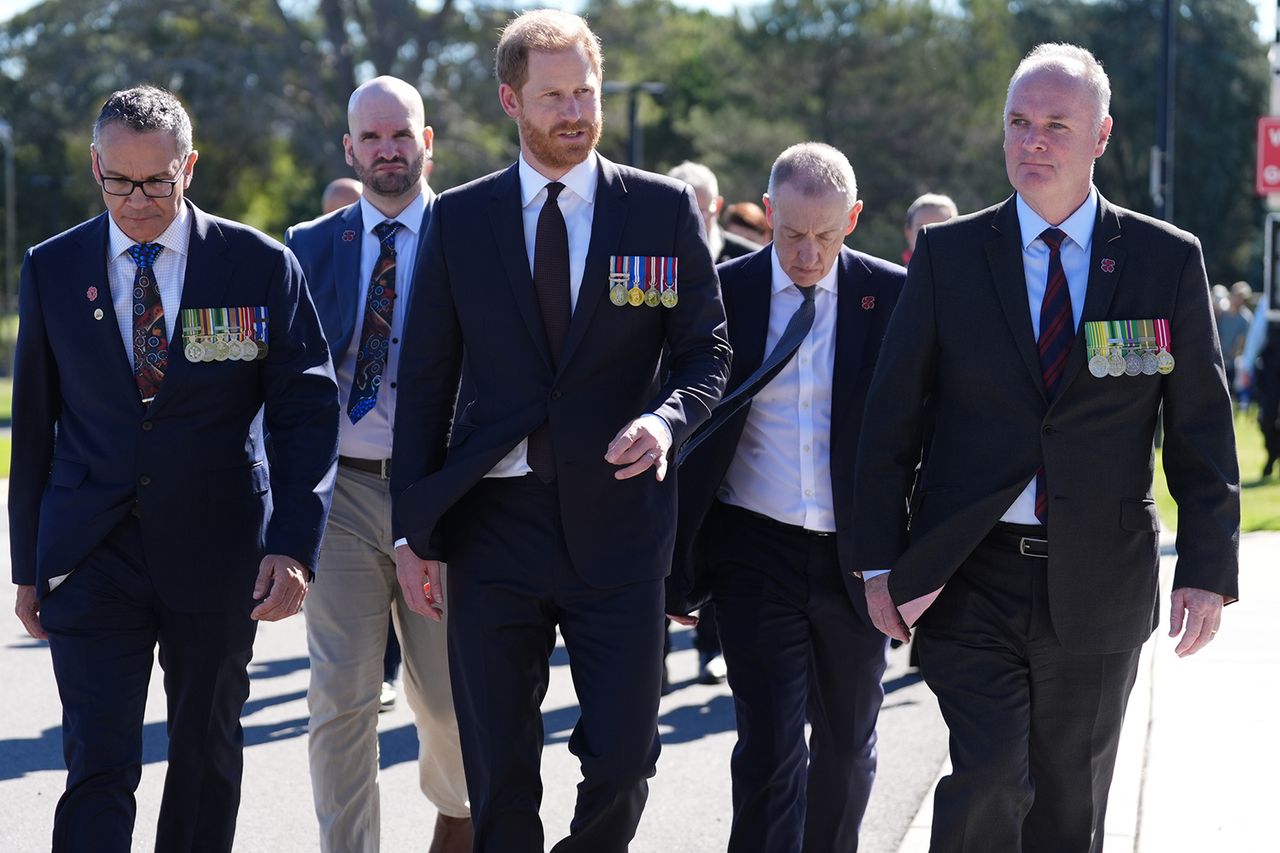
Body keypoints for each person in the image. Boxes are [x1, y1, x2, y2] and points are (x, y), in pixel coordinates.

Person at [853, 44, 1239, 853]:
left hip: (1101, 576)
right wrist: (878, 560)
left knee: (1069, 807)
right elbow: (891, 420)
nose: (1033, 141)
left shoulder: (1165, 260)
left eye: (1055, 125)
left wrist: (1206, 568)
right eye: (1019, 123)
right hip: (971, 571)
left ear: (1100, 136)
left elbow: (1200, 426)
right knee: (989, 774)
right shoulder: (951, 257)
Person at [390, 10, 730, 851]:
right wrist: (413, 527)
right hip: (490, 526)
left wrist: (664, 418)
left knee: (623, 756)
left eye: (586, 91)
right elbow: (425, 381)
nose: (575, 111)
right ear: (511, 100)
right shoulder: (460, 221)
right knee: (499, 767)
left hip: (618, 521)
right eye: (553, 96)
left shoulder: (659, 212)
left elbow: (706, 353)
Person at [9, 85, 339, 853]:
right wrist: (31, 565)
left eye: (157, 180)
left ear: (189, 166)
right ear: (96, 166)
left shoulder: (258, 266)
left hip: (220, 552)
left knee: (204, 751)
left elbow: (306, 411)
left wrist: (293, 544)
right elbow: (33, 431)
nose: (137, 199)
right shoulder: (53, 269)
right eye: (118, 180)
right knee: (97, 759)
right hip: (93, 553)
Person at [668, 142, 903, 853]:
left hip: (856, 559)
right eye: (791, 233)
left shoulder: (891, 297)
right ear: (767, 213)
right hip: (754, 550)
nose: (806, 255)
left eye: (825, 236)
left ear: (854, 219)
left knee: (845, 747)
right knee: (769, 749)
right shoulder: (722, 291)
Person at [285, 76, 471, 853]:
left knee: (453, 705)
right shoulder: (307, 246)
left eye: (402, 135)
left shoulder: (473, 236)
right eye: (372, 138)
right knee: (341, 700)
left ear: (426, 143)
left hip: (446, 500)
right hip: (345, 496)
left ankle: (457, 823)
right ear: (350, 150)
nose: (388, 150)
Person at [669, 160, 761, 263]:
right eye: (680, 213)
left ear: (717, 206)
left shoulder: (749, 259)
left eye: (700, 212)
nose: (688, 221)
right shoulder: (653, 253)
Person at [902, 192, 957, 265]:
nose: (931, 237)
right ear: (908, 233)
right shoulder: (897, 275)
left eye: (941, 229)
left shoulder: (972, 275)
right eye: (922, 229)